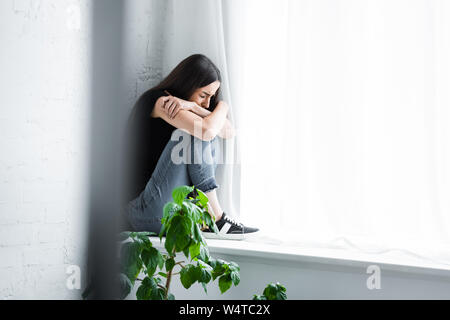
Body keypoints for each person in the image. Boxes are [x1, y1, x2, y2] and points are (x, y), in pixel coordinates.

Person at [122, 54, 259, 240]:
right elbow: (206, 130)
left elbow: (228, 131)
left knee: (206, 127)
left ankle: (212, 219)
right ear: (187, 83)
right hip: (143, 212)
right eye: (203, 95)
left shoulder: (187, 108)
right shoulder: (162, 102)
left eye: (211, 98)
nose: (207, 103)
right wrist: (214, 110)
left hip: (172, 214)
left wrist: (205, 106)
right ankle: (217, 218)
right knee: (195, 131)